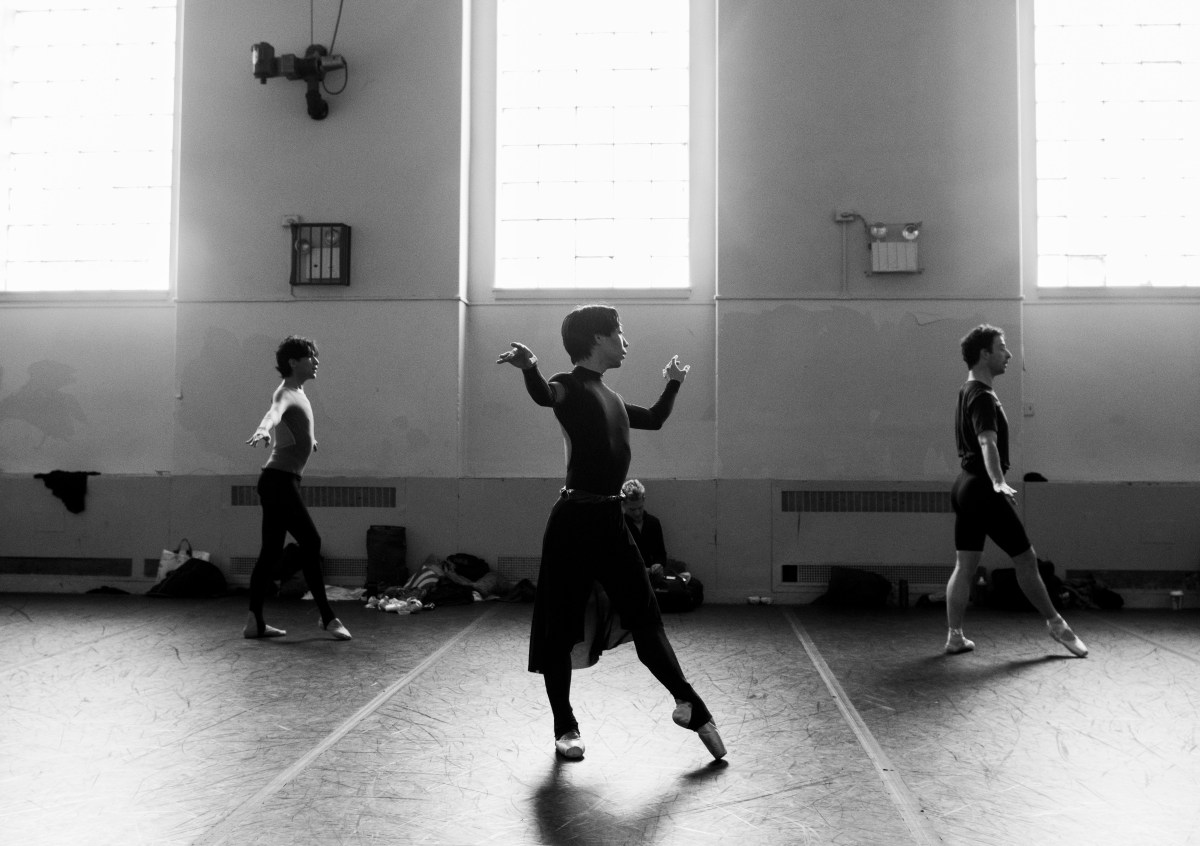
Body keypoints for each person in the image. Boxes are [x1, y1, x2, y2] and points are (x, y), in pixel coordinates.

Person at [497, 305, 725, 761]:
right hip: (573, 523)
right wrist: (531, 368)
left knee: (647, 618)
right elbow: (546, 395)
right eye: (619, 332)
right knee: (559, 631)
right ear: (598, 339)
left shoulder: (613, 398)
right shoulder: (570, 384)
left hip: (611, 522)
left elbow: (657, 418)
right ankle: (566, 728)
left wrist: (675, 381)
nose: (626, 340)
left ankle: (689, 704)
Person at [944, 324, 1086, 658]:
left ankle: (954, 636)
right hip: (981, 486)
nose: (1008, 355)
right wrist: (996, 481)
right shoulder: (982, 396)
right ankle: (1057, 624)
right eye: (1002, 348)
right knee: (1025, 558)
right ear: (984, 354)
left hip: (963, 486)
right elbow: (986, 441)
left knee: (965, 564)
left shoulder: (966, 390)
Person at [243, 335, 351, 641]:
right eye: (310, 357)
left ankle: (255, 622)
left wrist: (308, 439)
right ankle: (327, 617)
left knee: (270, 552)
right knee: (311, 541)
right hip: (278, 481)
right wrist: (264, 429)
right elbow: (274, 414)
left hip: (280, 480)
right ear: (293, 362)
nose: (316, 362)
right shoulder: (286, 392)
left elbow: (295, 428)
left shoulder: (300, 393)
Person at [620, 479, 667, 579]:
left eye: (640, 508)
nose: (637, 513)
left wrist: (658, 565)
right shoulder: (620, 526)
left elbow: (661, 555)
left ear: (643, 500)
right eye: (632, 509)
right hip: (628, 578)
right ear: (623, 505)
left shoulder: (653, 523)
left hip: (652, 576)